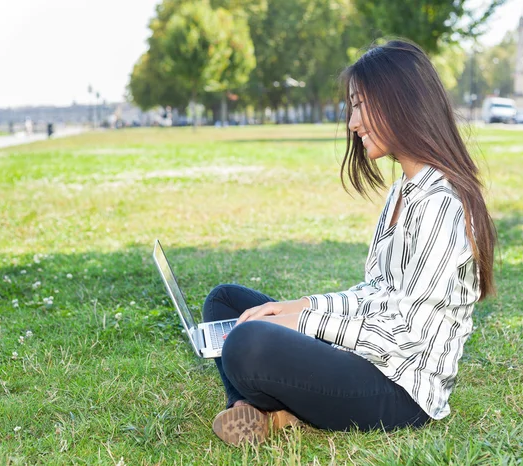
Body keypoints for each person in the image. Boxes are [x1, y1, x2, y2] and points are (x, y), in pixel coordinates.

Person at [202, 39, 496, 446]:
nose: (352, 122)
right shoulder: (403, 193)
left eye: (360, 105)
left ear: (401, 103)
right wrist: (302, 307)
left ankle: (268, 410)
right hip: (368, 358)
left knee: (247, 341)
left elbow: (405, 333)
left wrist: (302, 323)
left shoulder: (442, 205)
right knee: (227, 303)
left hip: (400, 390)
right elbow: (378, 293)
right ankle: (261, 414)